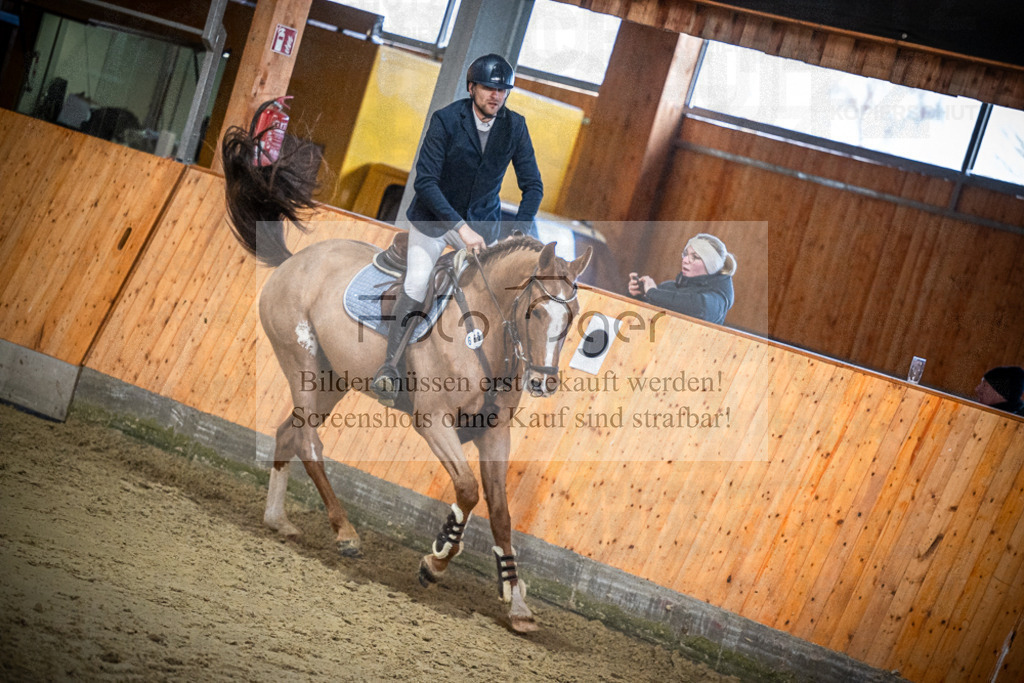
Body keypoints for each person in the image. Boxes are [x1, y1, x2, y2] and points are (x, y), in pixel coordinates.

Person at [372, 53, 544, 404]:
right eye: (488, 88)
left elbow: (533, 186)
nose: (496, 95)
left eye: (502, 90)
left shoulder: (515, 127)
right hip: (436, 220)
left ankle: (490, 375)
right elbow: (426, 183)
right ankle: (390, 368)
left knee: (497, 296)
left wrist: (520, 234)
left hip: (484, 225)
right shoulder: (447, 120)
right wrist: (461, 229)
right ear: (472, 88)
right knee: (418, 281)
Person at [628, 233, 737, 325]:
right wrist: (640, 295)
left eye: (695, 257)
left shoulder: (718, 300)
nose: (685, 260)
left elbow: (699, 309)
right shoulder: (668, 287)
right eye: (686, 254)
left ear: (711, 266)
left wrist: (653, 292)